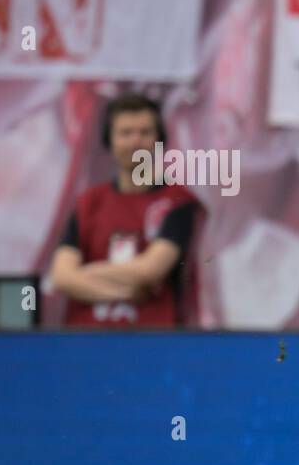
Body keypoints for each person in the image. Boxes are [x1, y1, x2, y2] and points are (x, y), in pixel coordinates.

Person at [49, 93, 203, 328]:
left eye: (144, 133)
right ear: (109, 140)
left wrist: (82, 276)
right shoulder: (88, 202)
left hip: (153, 342)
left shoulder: (178, 202)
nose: (135, 142)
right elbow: (61, 275)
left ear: (159, 140)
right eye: (126, 133)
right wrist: (125, 288)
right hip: (84, 342)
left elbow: (149, 271)